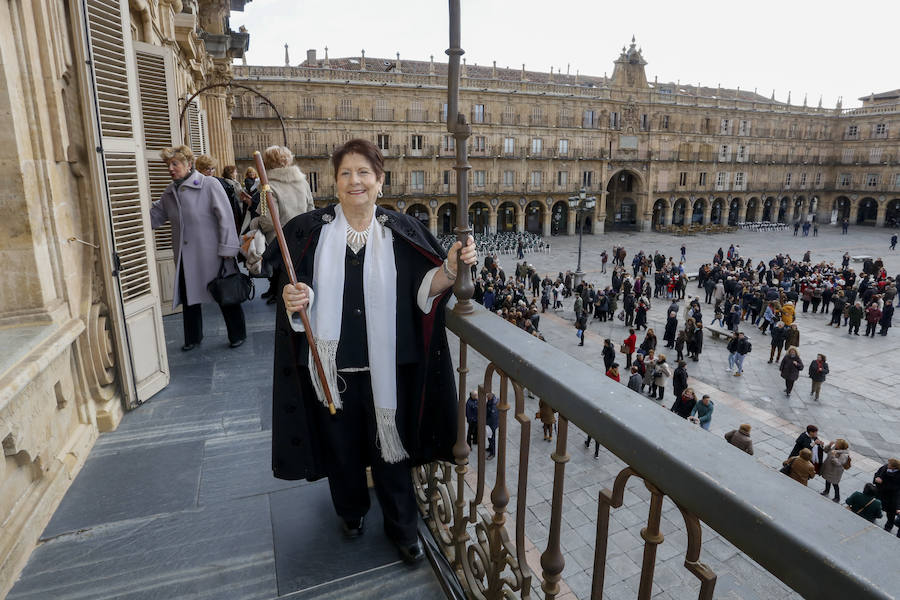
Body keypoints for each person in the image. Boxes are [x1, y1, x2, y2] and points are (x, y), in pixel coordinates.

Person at [274, 138, 477, 564]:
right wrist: (294, 301)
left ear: (380, 181)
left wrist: (450, 270)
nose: (355, 181)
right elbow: (294, 297)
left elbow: (424, 292)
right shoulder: (309, 233)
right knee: (341, 449)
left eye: (364, 172)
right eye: (346, 173)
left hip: (390, 370)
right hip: (331, 370)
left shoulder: (401, 232)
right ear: (335, 182)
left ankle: (402, 527)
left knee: (392, 453)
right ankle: (351, 512)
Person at [150, 145, 246, 351]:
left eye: (175, 163)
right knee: (189, 297)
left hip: (214, 255)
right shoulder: (170, 193)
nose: (171, 168)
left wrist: (229, 250)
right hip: (187, 258)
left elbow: (226, 218)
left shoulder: (209, 184)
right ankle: (193, 337)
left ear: (189, 164)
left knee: (225, 293)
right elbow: (154, 217)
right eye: (168, 164)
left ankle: (238, 333)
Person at [247, 146, 316, 304]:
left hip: (279, 244)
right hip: (303, 239)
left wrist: (255, 223)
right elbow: (311, 210)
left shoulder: (266, 188)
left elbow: (268, 221)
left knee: (284, 286)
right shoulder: (303, 182)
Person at [873, 458, 900, 533]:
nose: (887, 465)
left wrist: (882, 482)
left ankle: (888, 526)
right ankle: (872, 516)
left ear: (894, 467)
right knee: (876, 506)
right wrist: (876, 479)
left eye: (889, 465)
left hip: (891, 497)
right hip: (880, 493)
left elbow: (896, 487)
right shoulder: (885, 467)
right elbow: (877, 474)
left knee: (890, 514)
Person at [819, 439, 851, 503]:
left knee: (835, 483)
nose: (835, 444)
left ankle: (837, 497)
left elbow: (838, 463)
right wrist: (829, 445)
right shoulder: (835, 447)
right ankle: (826, 491)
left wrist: (833, 456)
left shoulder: (844, 454)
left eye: (836, 443)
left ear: (840, 446)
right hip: (829, 468)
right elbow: (826, 450)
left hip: (835, 471)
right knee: (827, 479)